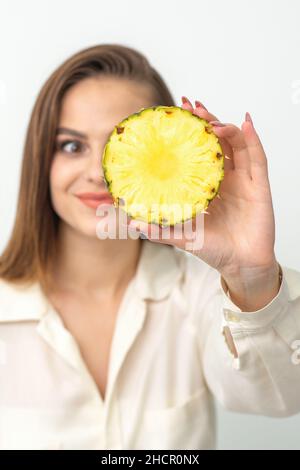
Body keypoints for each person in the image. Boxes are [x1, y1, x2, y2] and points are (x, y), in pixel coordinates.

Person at [0, 43, 299, 450]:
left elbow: (279, 399)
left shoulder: (202, 293)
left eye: (121, 144)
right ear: (40, 157)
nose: (97, 172)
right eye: (71, 145)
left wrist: (252, 276)